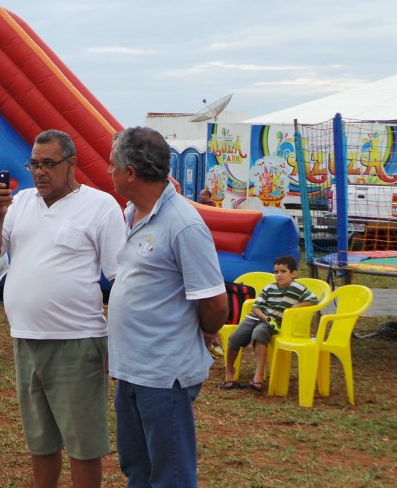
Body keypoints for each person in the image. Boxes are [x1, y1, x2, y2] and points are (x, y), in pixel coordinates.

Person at [0, 129, 123, 488]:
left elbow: (122, 279)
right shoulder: (21, 203)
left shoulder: (100, 206)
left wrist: (117, 344)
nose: (39, 172)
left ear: (71, 164)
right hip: (26, 340)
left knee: (82, 444)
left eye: (48, 164)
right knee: (40, 439)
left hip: (77, 341)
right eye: (34, 164)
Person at [107, 126, 229, 488]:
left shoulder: (183, 225)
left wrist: (205, 333)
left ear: (130, 172)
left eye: (112, 164)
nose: (108, 171)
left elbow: (215, 303)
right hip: (131, 369)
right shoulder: (133, 213)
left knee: (170, 476)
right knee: (137, 468)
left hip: (164, 374)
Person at [221, 255, 317, 392]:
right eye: (276, 272)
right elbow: (255, 306)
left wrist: (296, 306)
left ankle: (258, 375)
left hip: (274, 322)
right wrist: (265, 317)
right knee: (236, 337)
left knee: (260, 334)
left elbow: (314, 300)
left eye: (283, 271)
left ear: (294, 273)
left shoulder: (297, 288)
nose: (279, 275)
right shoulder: (269, 287)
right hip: (257, 317)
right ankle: (229, 372)